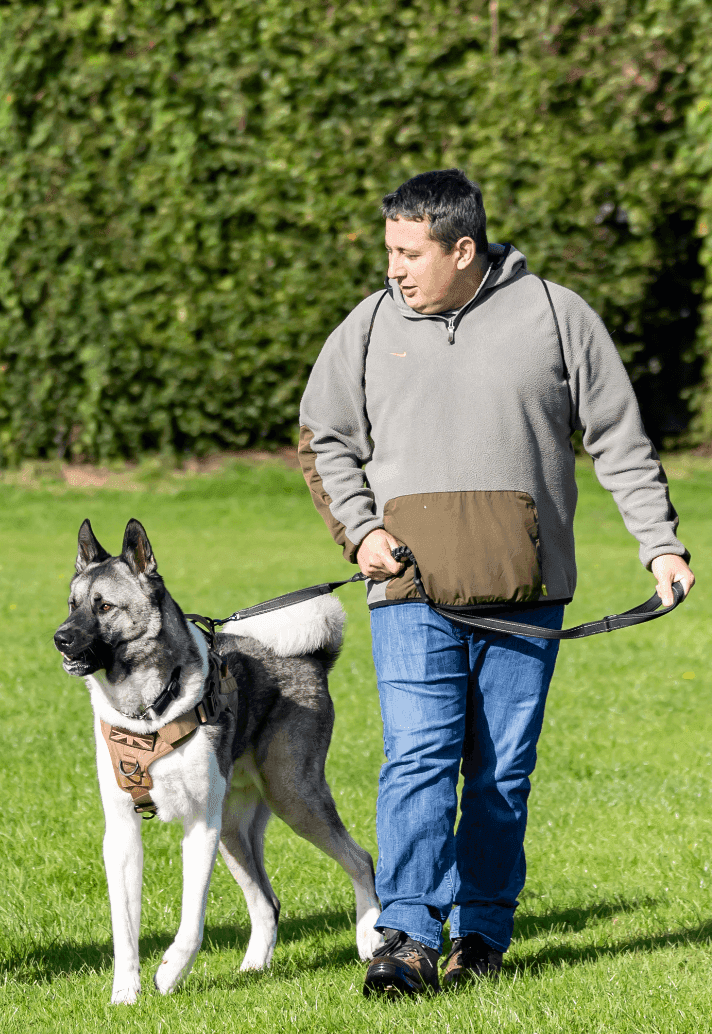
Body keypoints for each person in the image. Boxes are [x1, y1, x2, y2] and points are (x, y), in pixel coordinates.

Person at [297, 169, 694, 997]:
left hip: (528, 595)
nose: (395, 269)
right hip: (410, 593)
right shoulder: (370, 325)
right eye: (390, 252)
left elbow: (619, 437)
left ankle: (479, 933)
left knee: (501, 772)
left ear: (464, 249)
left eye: (412, 253)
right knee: (417, 758)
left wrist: (659, 544)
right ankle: (405, 936)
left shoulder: (555, 314)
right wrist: (362, 531)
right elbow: (323, 438)